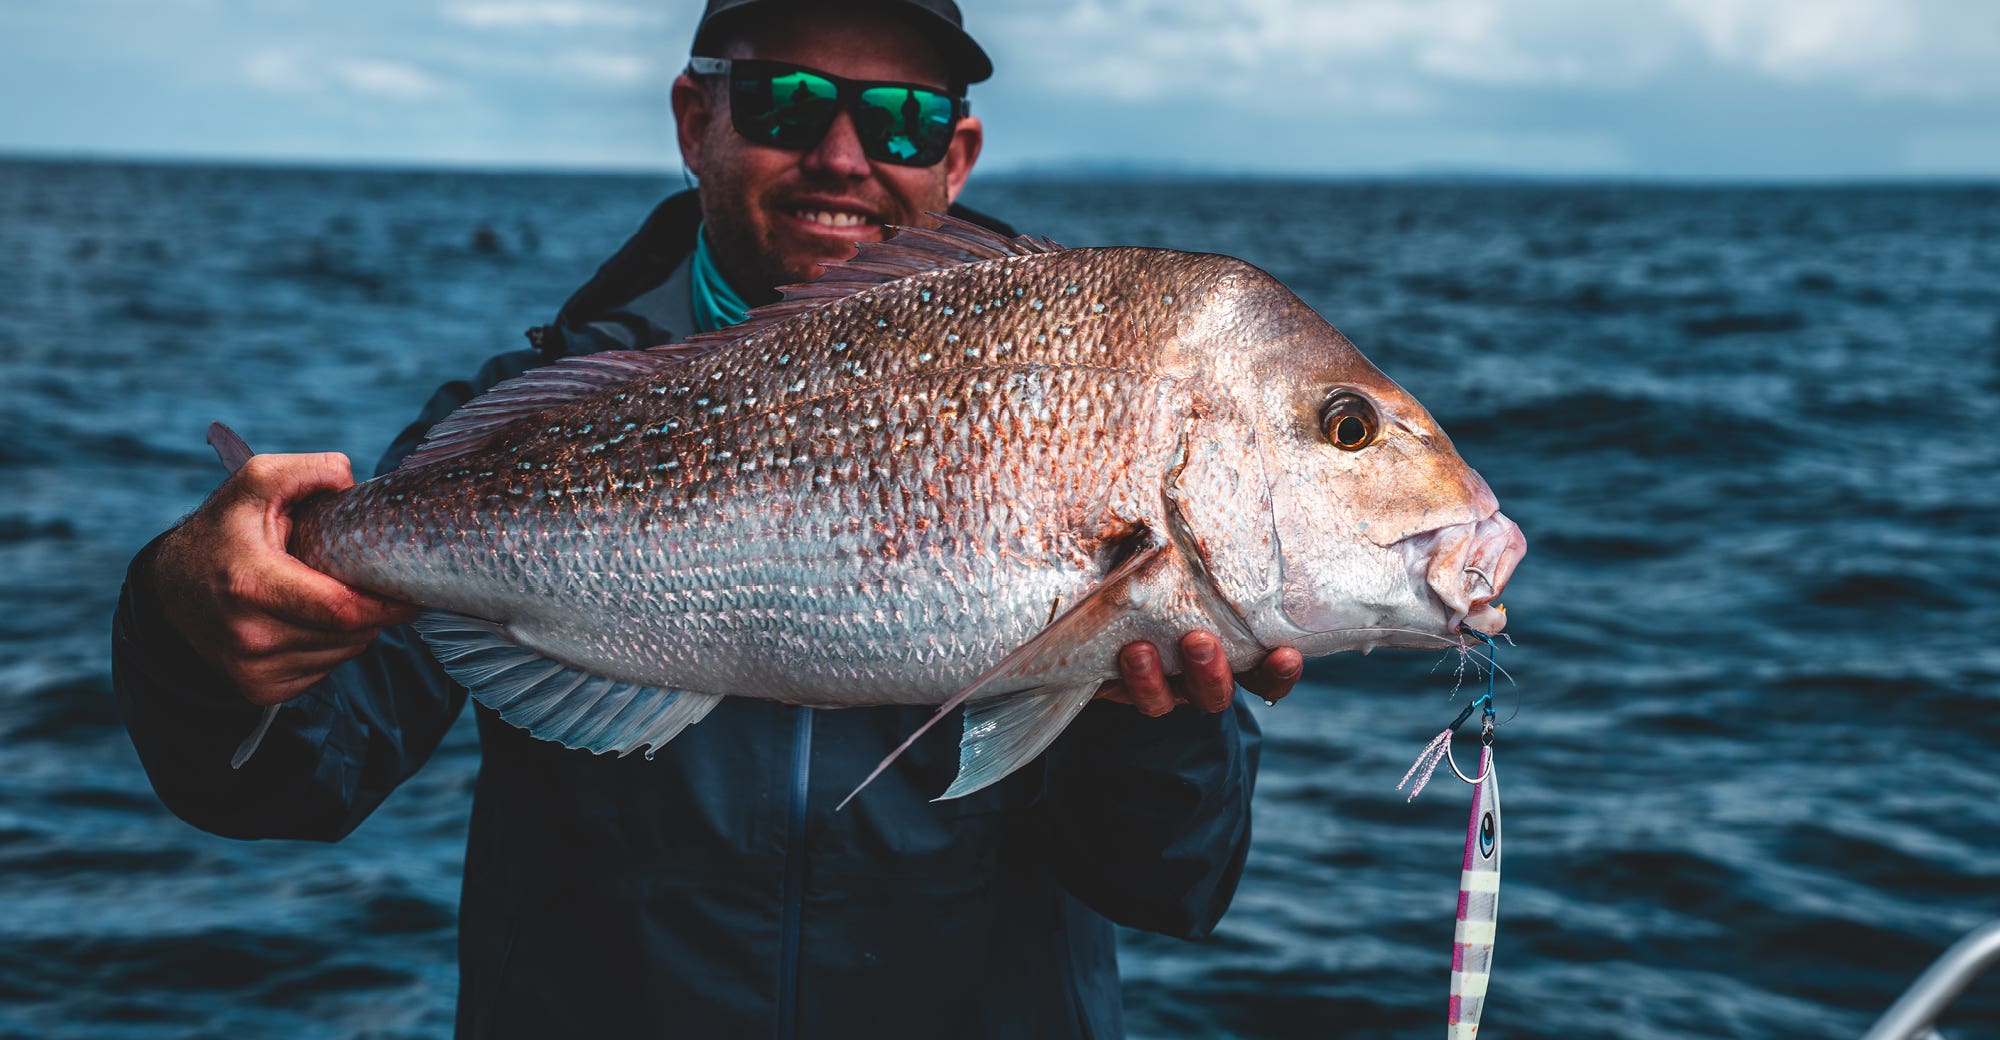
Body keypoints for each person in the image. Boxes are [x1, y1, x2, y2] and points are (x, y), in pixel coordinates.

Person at [110, 1, 1304, 1036]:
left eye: (902, 119)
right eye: (787, 100)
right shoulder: (512, 421)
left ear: (958, 154)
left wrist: (1153, 720)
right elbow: (287, 784)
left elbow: (1174, 886)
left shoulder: (1093, 418)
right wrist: (187, 623)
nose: (843, 154)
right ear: (696, 119)